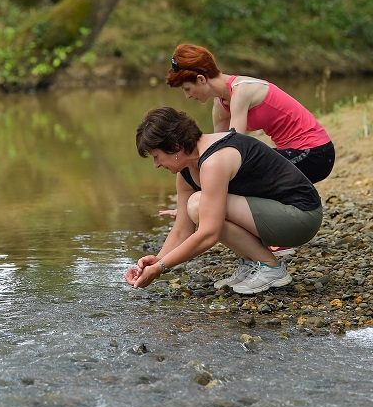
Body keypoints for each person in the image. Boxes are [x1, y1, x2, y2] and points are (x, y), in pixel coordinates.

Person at [124, 107, 324, 294]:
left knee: (198, 205)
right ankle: (252, 263)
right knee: (198, 207)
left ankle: (270, 267)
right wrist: (157, 260)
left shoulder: (214, 159)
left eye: (157, 156)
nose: (156, 164)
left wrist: (161, 267)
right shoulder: (186, 170)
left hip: (301, 217)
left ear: (175, 146)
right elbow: (182, 229)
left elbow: (209, 233)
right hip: (272, 216)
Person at [166, 43, 335, 184]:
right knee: (199, 169)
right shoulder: (220, 104)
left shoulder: (241, 91)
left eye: (187, 89)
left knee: (239, 170)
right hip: (291, 152)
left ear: (201, 79)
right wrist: (190, 161)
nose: (188, 96)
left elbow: (236, 146)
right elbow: (216, 150)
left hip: (315, 153)